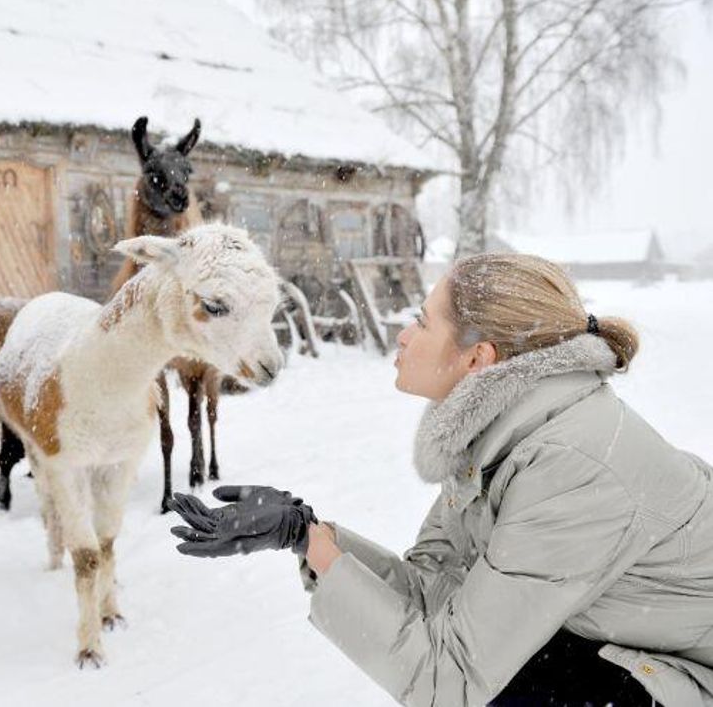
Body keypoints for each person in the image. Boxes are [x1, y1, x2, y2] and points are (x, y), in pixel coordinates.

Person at [168, 253, 713, 706]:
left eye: (423, 321)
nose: (403, 336)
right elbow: (435, 595)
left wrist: (321, 552)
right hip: (620, 643)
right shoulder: (501, 435)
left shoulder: (572, 468)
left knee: (504, 685)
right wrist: (304, 535)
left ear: (477, 358)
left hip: (683, 675)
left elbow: (448, 681)